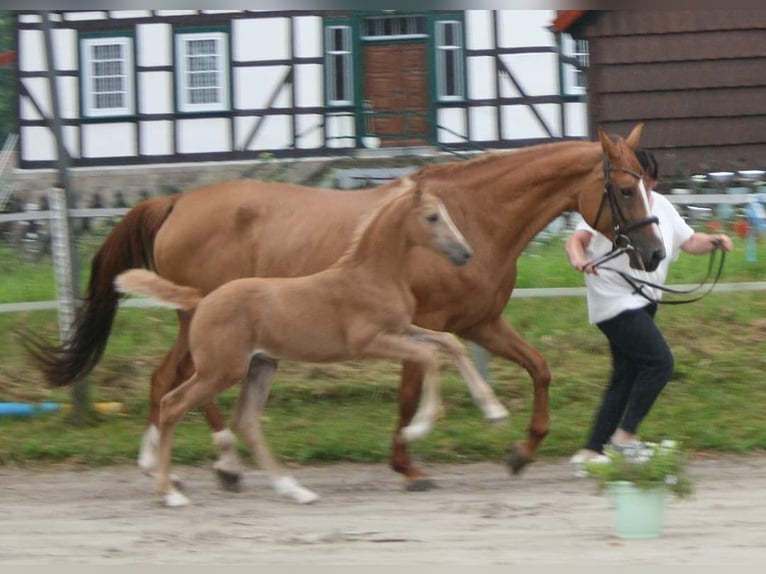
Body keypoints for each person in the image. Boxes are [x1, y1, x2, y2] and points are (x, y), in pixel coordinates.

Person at [565, 149, 733, 468]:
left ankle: (590, 451)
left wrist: (714, 240)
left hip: (646, 301)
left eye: (649, 179)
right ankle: (625, 438)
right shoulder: (610, 203)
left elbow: (689, 241)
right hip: (613, 300)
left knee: (625, 375)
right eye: (639, 178)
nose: (645, 185)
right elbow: (577, 239)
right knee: (660, 363)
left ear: (652, 179)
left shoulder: (663, 207)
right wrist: (577, 258)